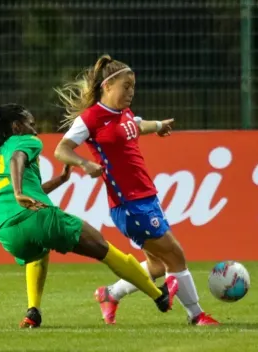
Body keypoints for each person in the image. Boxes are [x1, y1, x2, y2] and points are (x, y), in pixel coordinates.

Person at [0, 103, 178, 328]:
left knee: (38, 252)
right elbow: (17, 159)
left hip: (3, 228)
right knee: (103, 248)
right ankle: (158, 295)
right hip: (34, 217)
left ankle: (33, 312)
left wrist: (59, 181)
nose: (35, 130)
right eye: (31, 124)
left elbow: (29, 187)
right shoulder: (26, 142)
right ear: (16, 126)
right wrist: (19, 192)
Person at [53, 54, 218, 326]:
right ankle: (197, 316)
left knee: (156, 265)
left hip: (146, 198)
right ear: (107, 86)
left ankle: (110, 294)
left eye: (133, 86)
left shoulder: (123, 113)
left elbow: (137, 125)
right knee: (175, 255)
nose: (131, 92)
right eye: (125, 86)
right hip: (128, 205)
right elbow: (61, 149)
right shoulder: (91, 118)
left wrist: (159, 127)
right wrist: (84, 163)